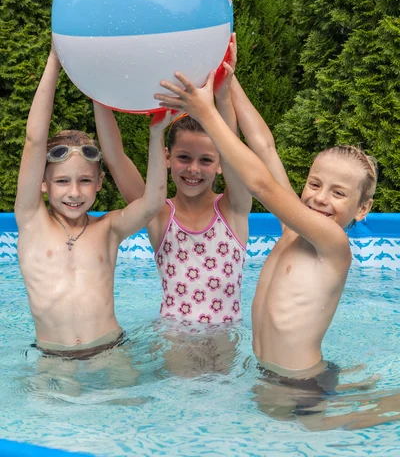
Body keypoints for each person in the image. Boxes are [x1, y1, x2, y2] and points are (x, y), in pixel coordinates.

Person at [154, 68, 378, 393]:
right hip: (271, 375)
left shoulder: (333, 243)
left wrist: (206, 112)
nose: (320, 197)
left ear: (362, 209)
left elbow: (261, 184)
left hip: (299, 383)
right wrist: (226, 82)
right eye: (315, 184)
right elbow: (265, 146)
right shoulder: (292, 230)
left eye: (338, 193)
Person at [15, 43, 173, 360]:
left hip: (111, 351)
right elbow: (35, 139)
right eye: (62, 181)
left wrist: (157, 135)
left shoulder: (108, 230)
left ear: (99, 183)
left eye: (85, 180)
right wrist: (54, 62)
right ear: (43, 184)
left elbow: (153, 202)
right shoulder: (31, 221)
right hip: (53, 356)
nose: (74, 192)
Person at [94, 34, 252, 328]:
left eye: (206, 160)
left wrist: (223, 94)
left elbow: (233, 146)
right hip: (172, 345)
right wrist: (98, 91)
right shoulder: (157, 213)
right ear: (167, 157)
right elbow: (115, 158)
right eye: (184, 157)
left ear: (220, 164)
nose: (194, 169)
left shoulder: (234, 208)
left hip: (225, 350)